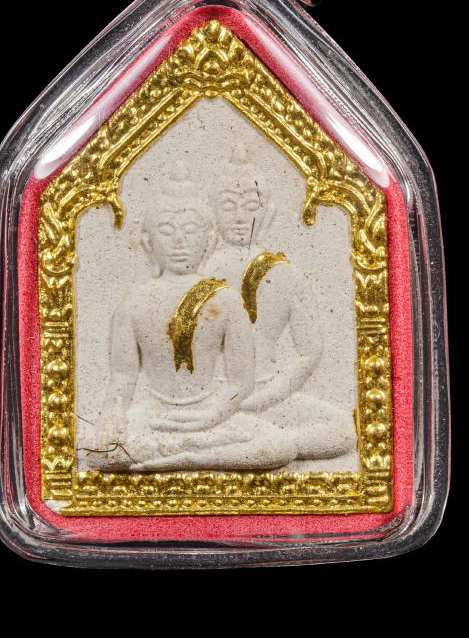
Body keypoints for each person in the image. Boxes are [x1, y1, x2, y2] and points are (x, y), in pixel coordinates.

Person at [88, 162, 300, 472]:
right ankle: (196, 453)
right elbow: (123, 376)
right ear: (147, 241)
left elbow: (240, 382)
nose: (179, 242)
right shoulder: (134, 302)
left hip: (212, 413)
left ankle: (191, 459)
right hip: (154, 415)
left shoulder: (226, 300)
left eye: (189, 231)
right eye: (166, 231)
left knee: (280, 446)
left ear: (209, 240)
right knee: (99, 451)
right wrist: (112, 416)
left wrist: (211, 416)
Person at [204, 146, 355, 460]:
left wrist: (270, 395)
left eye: (251, 206)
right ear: (212, 212)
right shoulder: (197, 271)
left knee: (342, 429)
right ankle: (263, 447)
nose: (240, 217)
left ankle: (260, 447)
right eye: (229, 206)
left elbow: (309, 351)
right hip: (208, 398)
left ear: (268, 212)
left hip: (269, 396)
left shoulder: (285, 274)